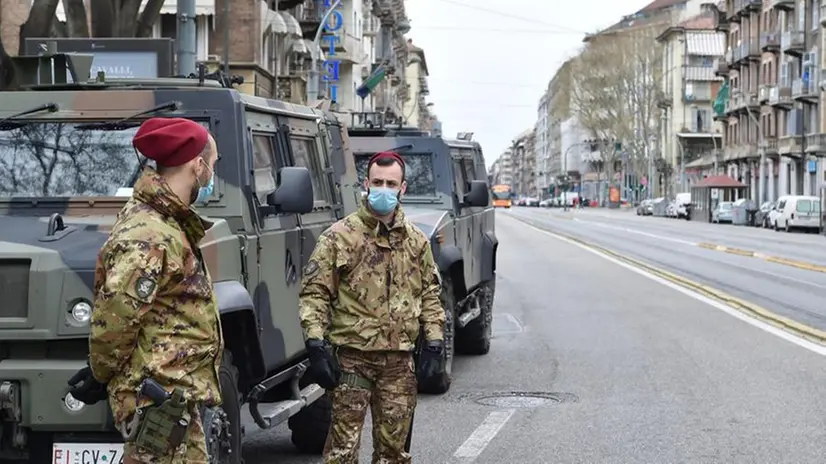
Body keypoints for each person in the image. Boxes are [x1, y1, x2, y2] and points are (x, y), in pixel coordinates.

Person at [67, 117, 223, 464]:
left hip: (173, 394)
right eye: (213, 164)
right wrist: (100, 372)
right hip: (157, 398)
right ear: (198, 166)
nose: (213, 174)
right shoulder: (151, 233)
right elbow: (116, 318)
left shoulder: (166, 223)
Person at [299, 151, 446, 463]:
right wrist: (315, 343)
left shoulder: (416, 241)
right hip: (352, 361)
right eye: (377, 182)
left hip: (398, 365)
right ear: (365, 184)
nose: (383, 189)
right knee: (342, 453)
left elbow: (431, 294)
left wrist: (434, 343)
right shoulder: (339, 237)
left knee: (393, 454)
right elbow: (315, 293)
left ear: (402, 188)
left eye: (391, 183)